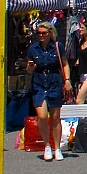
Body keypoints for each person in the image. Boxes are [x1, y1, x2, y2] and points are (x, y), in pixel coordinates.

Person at [25, 22, 71, 162]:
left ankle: (57, 148)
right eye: (38, 33)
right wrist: (30, 67)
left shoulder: (57, 47)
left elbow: (64, 64)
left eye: (44, 33)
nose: (41, 36)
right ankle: (46, 146)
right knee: (42, 116)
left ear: (50, 33)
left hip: (54, 81)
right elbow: (29, 70)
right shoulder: (33, 49)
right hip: (39, 82)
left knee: (56, 117)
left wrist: (67, 80)